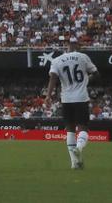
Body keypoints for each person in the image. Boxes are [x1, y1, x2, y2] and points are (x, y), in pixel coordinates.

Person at [45, 40, 99, 170]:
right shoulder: (83, 57)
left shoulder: (57, 60)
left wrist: (48, 96)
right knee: (83, 128)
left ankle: (74, 163)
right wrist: (86, 81)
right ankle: (78, 148)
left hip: (66, 99)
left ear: (67, 48)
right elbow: (96, 74)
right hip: (81, 97)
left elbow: (53, 78)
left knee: (70, 130)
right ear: (78, 47)